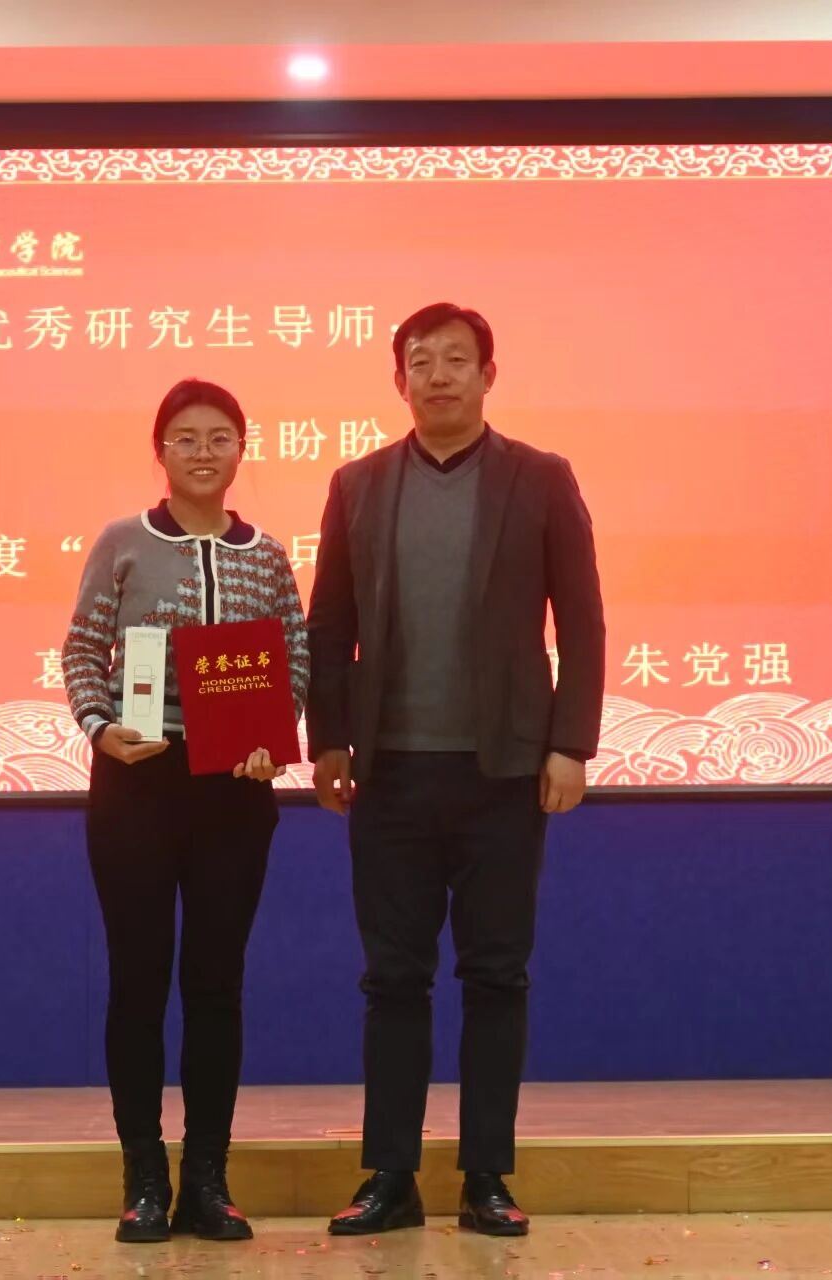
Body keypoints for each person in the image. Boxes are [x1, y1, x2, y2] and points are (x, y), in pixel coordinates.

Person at [306, 303, 605, 1237]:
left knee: (496, 976)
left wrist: (571, 743)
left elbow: (582, 619)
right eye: (420, 362)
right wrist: (328, 740)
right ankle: (391, 1175)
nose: (438, 376)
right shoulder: (358, 485)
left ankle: (486, 1177)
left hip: (503, 773)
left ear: (488, 375)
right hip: (390, 774)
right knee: (392, 979)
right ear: (399, 380)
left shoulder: (540, 478)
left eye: (456, 361)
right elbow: (329, 626)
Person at [61, 377, 310, 1244]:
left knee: (215, 985)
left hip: (233, 794)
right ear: (160, 451)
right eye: (186, 439)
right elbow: (83, 649)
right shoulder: (123, 542)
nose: (204, 453)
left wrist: (273, 738)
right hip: (137, 787)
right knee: (137, 981)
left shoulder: (267, 556)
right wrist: (102, 729)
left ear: (242, 450)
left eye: (220, 438)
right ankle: (143, 1178)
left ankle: (207, 1177)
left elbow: (295, 656)